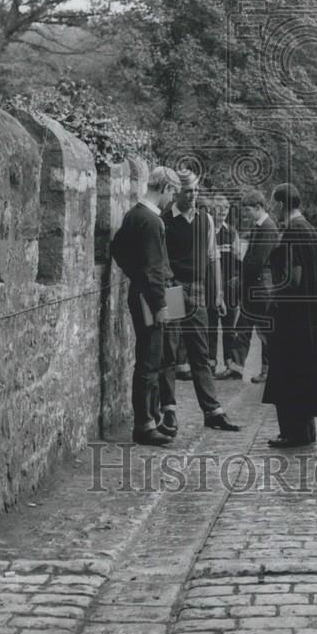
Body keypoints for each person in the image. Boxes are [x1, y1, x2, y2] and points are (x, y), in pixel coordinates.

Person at [160, 170, 240, 433]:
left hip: (197, 291)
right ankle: (168, 410)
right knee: (169, 352)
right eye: (187, 191)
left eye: (195, 191)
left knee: (201, 354)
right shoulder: (164, 221)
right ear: (176, 193)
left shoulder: (205, 219)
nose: (193, 196)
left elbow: (212, 259)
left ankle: (212, 411)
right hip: (172, 290)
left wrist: (216, 294)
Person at [110, 166, 181, 446]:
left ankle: (151, 418)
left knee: (158, 357)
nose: (172, 200)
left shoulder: (133, 215)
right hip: (152, 297)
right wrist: (161, 304)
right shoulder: (151, 220)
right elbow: (153, 268)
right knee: (151, 361)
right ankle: (145, 424)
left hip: (147, 291)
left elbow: (118, 249)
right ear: (164, 188)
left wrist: (135, 274)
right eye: (172, 192)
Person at [263, 183, 317, 447]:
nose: (272, 208)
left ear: (281, 204)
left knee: (290, 371)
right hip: (310, 314)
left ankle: (293, 432)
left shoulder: (294, 232)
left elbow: (293, 278)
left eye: (274, 203)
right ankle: (304, 430)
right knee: (304, 370)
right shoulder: (310, 230)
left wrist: (273, 300)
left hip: (294, 316)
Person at [217, 188, 279, 383]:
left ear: (258, 207)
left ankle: (268, 371)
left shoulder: (268, 228)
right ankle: (236, 367)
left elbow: (257, 261)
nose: (246, 214)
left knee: (264, 332)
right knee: (243, 327)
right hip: (255, 286)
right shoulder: (261, 226)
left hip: (261, 288)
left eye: (248, 210)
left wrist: (239, 277)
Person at [207, 193, 242, 376]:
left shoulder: (232, 232)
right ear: (211, 211)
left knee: (230, 329)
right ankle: (211, 364)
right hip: (211, 287)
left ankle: (230, 365)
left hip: (230, 288)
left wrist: (237, 282)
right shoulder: (207, 231)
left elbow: (239, 260)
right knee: (211, 328)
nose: (222, 212)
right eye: (218, 209)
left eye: (225, 209)